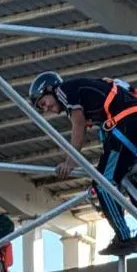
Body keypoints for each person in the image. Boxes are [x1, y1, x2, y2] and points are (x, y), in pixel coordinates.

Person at [29, 72, 137, 256]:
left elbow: (78, 125)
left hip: (125, 128)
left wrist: (70, 162)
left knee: (103, 184)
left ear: (50, 88)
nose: (46, 108)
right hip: (129, 127)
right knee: (127, 178)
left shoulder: (64, 90)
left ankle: (124, 237)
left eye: (43, 102)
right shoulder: (89, 91)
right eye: (41, 107)